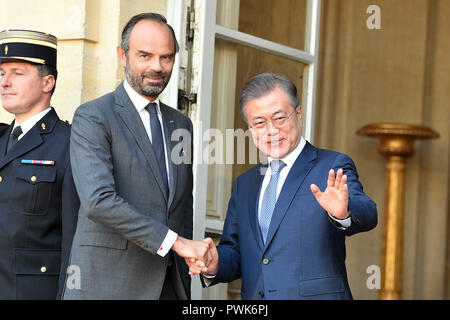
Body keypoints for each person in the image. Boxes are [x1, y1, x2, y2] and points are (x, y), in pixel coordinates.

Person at [188, 72, 378, 300]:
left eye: (279, 118)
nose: (271, 131)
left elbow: (368, 212)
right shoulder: (245, 184)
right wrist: (215, 263)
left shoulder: (331, 165)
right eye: (259, 123)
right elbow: (237, 253)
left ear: (298, 114)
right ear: (250, 128)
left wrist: (344, 214)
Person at [63, 13, 208, 300]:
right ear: (122, 55)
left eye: (166, 57)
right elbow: (98, 201)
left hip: (169, 286)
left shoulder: (181, 125)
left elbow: (182, 208)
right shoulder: (93, 117)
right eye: (145, 55)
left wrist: (185, 267)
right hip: (108, 285)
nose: (157, 67)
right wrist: (177, 243)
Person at [0, 29, 80, 299]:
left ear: (48, 83)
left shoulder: (69, 145)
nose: (5, 82)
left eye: (17, 73)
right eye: (1, 73)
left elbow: (74, 242)